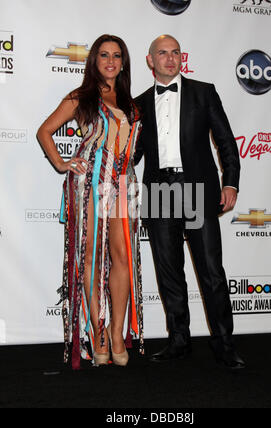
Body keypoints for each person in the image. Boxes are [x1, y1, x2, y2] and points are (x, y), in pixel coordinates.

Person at [134, 35, 245, 369]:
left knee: (211, 271)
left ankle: (224, 344)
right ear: (150, 61)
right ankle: (179, 341)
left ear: (181, 57)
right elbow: (132, 154)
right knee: (169, 273)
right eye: (162, 54)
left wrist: (231, 183)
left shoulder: (203, 92)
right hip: (157, 190)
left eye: (175, 52)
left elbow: (226, 142)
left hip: (197, 188)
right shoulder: (137, 104)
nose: (170, 58)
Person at [37, 34, 144, 370]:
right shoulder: (80, 96)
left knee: (122, 256)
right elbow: (44, 131)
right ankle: (96, 334)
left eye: (116, 55)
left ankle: (115, 333)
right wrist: (61, 162)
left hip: (124, 186)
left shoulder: (130, 101)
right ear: (94, 61)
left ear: (123, 62)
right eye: (103, 55)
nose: (110, 61)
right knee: (92, 258)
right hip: (89, 184)